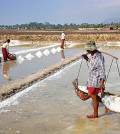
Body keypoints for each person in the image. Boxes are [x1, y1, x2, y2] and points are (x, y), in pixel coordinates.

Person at [73, 40, 108, 118]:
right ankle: (106, 104)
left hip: (96, 80)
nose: (87, 51)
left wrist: (102, 82)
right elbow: (93, 64)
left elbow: (102, 69)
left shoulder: (98, 56)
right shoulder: (93, 55)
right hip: (92, 79)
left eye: (87, 49)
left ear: (91, 49)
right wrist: (87, 59)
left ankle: (95, 114)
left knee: (93, 97)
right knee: (92, 95)